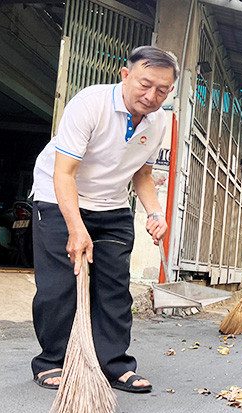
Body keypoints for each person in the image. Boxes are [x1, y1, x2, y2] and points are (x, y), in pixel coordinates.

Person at [30, 46, 179, 392]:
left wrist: (155, 212)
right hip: (58, 195)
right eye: (144, 84)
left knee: (114, 289)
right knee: (59, 288)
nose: (151, 96)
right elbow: (64, 172)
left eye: (161, 90)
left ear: (170, 90)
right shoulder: (89, 104)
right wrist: (75, 228)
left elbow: (142, 174)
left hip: (111, 204)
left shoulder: (160, 121)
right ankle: (52, 361)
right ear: (125, 75)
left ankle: (113, 365)